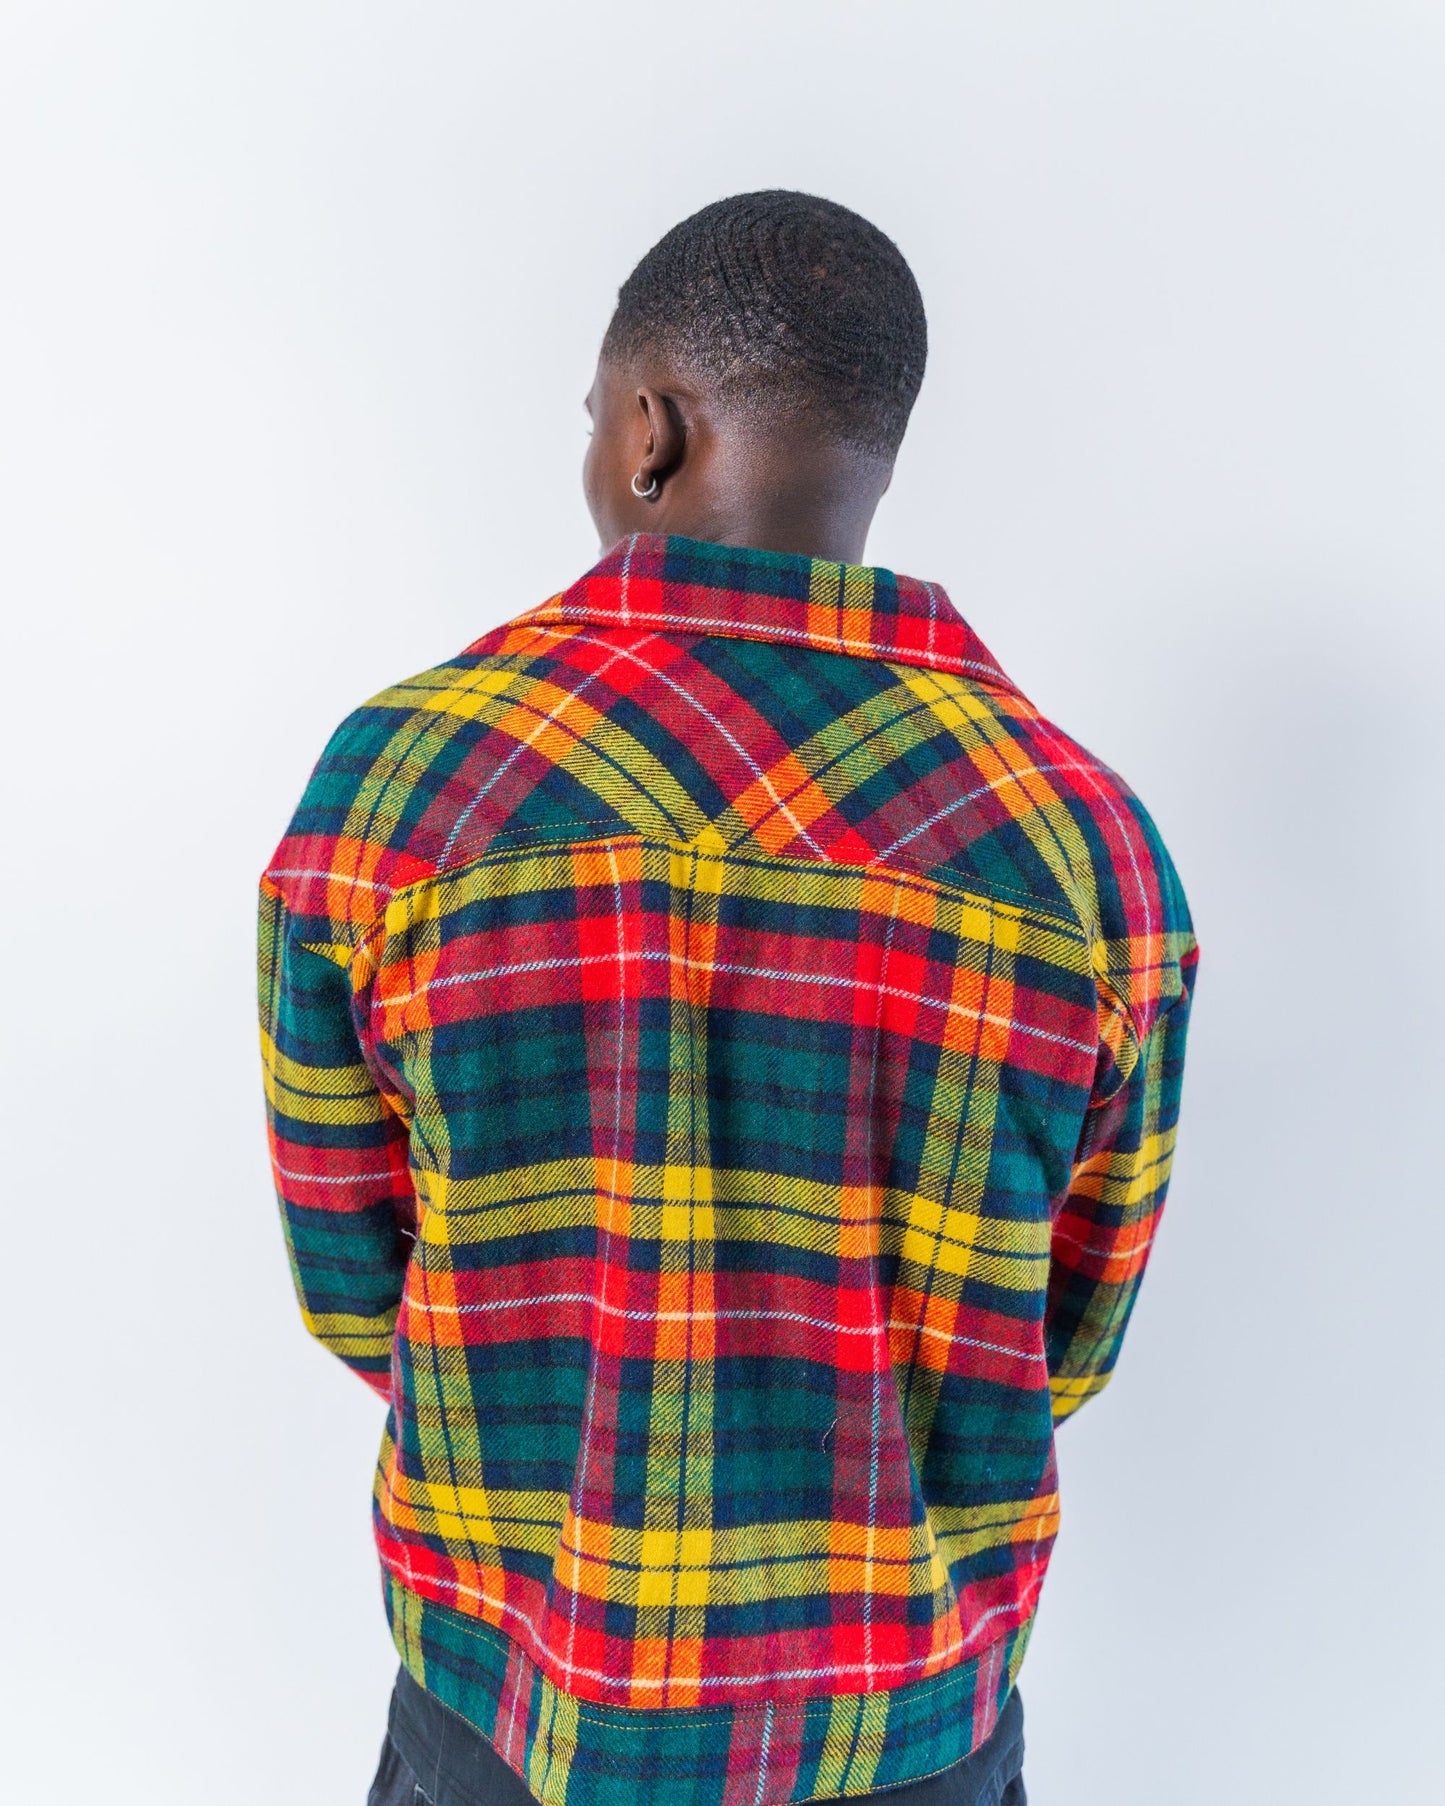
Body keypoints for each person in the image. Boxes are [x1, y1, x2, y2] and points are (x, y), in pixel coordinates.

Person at [257, 190, 1197, 1806]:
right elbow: (1067, 1333)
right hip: (907, 1740)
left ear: (649, 431)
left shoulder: (403, 788)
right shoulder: (1088, 852)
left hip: (510, 1717)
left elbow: (358, 1285)